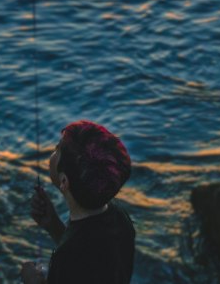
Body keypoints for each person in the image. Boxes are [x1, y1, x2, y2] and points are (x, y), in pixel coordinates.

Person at [20, 120, 135, 284]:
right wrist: (53, 225)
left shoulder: (67, 257)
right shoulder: (120, 219)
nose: (53, 151)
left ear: (64, 182)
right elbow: (92, 262)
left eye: (57, 149)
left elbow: (77, 259)